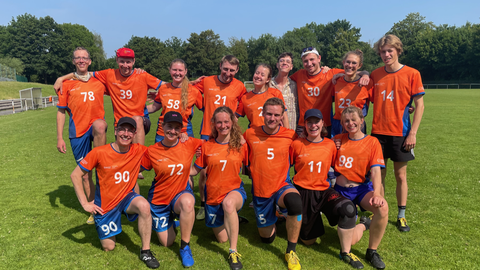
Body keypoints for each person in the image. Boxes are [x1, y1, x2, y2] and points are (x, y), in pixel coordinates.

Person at [70, 117, 159, 269]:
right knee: (109, 247)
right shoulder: (99, 152)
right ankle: (110, 223)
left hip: (127, 198)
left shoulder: (139, 150)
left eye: (130, 131)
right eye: (122, 130)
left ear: (134, 134)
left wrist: (183, 137)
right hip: (106, 204)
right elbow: (76, 175)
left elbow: (163, 150)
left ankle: (146, 251)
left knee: (144, 206)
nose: (126, 134)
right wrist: (85, 203)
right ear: (116, 131)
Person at [290, 108, 371, 269]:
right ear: (304, 124)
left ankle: (347, 249)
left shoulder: (331, 144)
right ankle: (289, 216)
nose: (313, 125)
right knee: (308, 241)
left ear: (322, 123)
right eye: (309, 122)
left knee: (348, 208)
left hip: (324, 191)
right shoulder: (296, 144)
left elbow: (345, 162)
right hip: (305, 193)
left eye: (317, 122)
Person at [370, 35, 425, 232]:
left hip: (401, 133)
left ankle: (401, 215)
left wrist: (413, 133)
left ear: (398, 50)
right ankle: (380, 210)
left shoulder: (412, 73)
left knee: (400, 175)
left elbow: (419, 105)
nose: (386, 54)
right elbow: (363, 95)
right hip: (377, 133)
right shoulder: (375, 75)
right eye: (383, 51)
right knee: (379, 175)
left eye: (390, 50)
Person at [243, 97, 303, 270]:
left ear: (282, 115)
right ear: (262, 113)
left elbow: (307, 148)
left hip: (281, 186)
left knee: (295, 202)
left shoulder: (290, 135)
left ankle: (290, 251)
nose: (272, 118)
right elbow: (231, 144)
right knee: (267, 239)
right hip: (261, 192)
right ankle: (278, 215)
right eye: (269, 114)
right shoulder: (249, 134)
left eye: (276, 115)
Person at [140, 111, 203, 268]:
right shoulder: (152, 150)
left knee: (189, 202)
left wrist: (198, 163)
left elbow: (209, 145)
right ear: (162, 126)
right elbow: (137, 169)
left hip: (179, 196)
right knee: (167, 243)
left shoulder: (188, 143)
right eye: (169, 127)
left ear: (182, 130)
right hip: (158, 201)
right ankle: (174, 220)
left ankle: (185, 247)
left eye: (177, 128)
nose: (173, 131)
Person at [191, 106, 248, 270]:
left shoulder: (241, 145)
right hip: (213, 198)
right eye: (219, 122)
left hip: (234, 192)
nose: (223, 126)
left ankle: (233, 252)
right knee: (222, 238)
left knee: (229, 204)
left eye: (226, 122)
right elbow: (195, 170)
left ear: (232, 122)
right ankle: (233, 218)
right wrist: (173, 172)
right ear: (214, 124)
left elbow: (253, 167)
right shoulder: (207, 146)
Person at [56, 47, 108, 225]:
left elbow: (120, 83)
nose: (81, 60)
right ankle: (94, 207)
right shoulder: (66, 85)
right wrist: (59, 137)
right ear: (73, 61)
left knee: (100, 126)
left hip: (95, 128)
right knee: (85, 175)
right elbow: (61, 112)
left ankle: (101, 160)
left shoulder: (99, 80)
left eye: (84, 58)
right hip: (77, 132)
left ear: (90, 61)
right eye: (77, 58)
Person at [333, 106, 389, 269]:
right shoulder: (337, 140)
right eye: (346, 121)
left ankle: (372, 251)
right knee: (349, 241)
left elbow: (376, 171)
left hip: (361, 190)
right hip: (341, 191)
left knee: (383, 208)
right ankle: (365, 224)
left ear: (361, 120)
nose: (350, 123)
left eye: (353, 120)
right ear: (342, 123)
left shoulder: (372, 142)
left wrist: (377, 193)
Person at [193, 55, 247, 220]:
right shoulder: (207, 81)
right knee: (204, 172)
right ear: (220, 66)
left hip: (228, 134)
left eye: (232, 70)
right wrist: (192, 81)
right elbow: (186, 89)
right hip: (207, 132)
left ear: (236, 70)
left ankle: (231, 209)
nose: (228, 73)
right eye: (225, 69)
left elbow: (245, 102)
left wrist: (235, 117)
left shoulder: (239, 86)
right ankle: (204, 204)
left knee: (230, 170)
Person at [290, 47, 369, 137]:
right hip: (304, 124)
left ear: (319, 58)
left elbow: (353, 71)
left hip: (325, 124)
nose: (309, 64)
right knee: (302, 150)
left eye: (312, 59)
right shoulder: (299, 74)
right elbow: (284, 81)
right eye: (305, 61)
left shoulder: (330, 73)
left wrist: (365, 75)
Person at [147, 59, 203, 143]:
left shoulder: (193, 91)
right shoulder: (163, 88)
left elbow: (206, 109)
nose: (177, 73)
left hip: (184, 133)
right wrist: (134, 109)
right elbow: (153, 107)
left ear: (185, 71)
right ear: (170, 70)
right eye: (174, 70)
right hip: (163, 132)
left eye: (180, 70)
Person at [330, 49, 371, 137]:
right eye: (348, 62)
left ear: (360, 66)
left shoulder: (366, 83)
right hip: (338, 123)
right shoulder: (336, 81)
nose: (350, 65)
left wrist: (365, 74)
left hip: (356, 124)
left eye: (354, 63)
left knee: (355, 150)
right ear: (343, 62)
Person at [236, 63, 289, 128]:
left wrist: (287, 135)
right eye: (257, 73)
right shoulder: (245, 97)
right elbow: (235, 118)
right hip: (255, 135)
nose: (258, 76)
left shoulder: (276, 93)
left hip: (273, 134)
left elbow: (284, 117)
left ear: (268, 79)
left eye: (262, 75)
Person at [269, 52, 298, 131]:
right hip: (271, 131)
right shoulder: (267, 85)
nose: (284, 63)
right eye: (282, 61)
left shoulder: (295, 86)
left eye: (288, 61)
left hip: (290, 132)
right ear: (277, 65)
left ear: (291, 67)